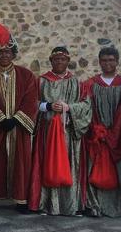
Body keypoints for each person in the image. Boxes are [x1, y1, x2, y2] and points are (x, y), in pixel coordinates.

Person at [0, 23, 39, 213]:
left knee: (21, 163)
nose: (5, 56)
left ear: (14, 53)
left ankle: (21, 200)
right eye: (1, 53)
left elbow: (31, 98)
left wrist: (17, 119)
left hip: (18, 128)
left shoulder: (26, 75)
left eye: (8, 52)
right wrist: (0, 119)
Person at [28, 47, 92, 216]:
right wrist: (48, 106)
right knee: (47, 165)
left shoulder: (77, 83)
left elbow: (86, 105)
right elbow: (31, 104)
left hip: (69, 134)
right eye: (56, 59)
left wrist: (69, 107)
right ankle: (45, 204)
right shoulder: (41, 81)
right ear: (51, 61)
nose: (59, 62)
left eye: (63, 59)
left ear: (68, 61)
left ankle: (70, 205)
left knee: (70, 167)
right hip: (46, 133)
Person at [82, 47, 121, 217]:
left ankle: (117, 206)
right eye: (104, 60)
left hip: (118, 138)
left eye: (111, 60)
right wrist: (97, 130)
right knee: (94, 170)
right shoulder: (91, 84)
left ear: (117, 61)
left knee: (117, 170)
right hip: (96, 136)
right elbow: (86, 108)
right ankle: (94, 205)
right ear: (99, 62)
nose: (108, 63)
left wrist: (114, 134)